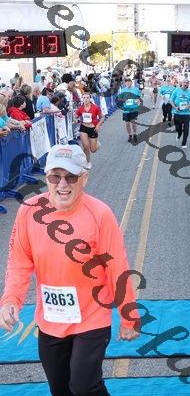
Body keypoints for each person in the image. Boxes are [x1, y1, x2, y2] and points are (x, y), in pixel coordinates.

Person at [0, 144, 140, 396]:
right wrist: (11, 300)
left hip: (92, 317)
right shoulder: (28, 212)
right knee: (60, 389)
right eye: (55, 176)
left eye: (71, 177)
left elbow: (118, 269)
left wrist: (129, 316)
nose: (62, 185)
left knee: (84, 387)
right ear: (47, 177)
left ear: (84, 178)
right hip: (51, 320)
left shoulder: (100, 214)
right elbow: (19, 262)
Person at [74, 92, 105, 170]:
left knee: (93, 150)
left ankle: (97, 144)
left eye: (87, 98)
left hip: (93, 128)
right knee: (86, 147)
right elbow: (75, 116)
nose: (85, 99)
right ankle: (88, 162)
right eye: (84, 98)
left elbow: (102, 117)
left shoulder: (95, 108)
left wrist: (98, 125)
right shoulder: (81, 108)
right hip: (83, 128)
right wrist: (75, 119)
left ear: (90, 99)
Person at [170, 78, 190, 149]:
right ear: (182, 83)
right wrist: (175, 108)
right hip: (177, 113)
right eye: (184, 82)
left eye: (187, 83)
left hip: (186, 114)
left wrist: (189, 106)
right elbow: (171, 100)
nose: (185, 84)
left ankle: (184, 143)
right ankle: (179, 133)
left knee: (186, 128)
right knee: (178, 128)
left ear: (188, 84)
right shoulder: (177, 90)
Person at [118, 77, 142, 143]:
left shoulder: (136, 89)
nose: (128, 83)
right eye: (127, 82)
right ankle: (130, 135)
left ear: (131, 82)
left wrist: (138, 102)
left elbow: (139, 98)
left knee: (133, 122)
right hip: (126, 109)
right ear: (125, 83)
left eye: (129, 81)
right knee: (127, 123)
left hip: (133, 108)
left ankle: (135, 134)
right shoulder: (123, 90)